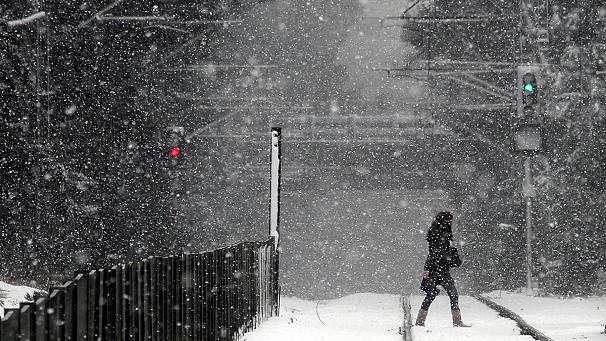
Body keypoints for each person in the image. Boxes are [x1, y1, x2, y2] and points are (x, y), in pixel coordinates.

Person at [414, 211, 470, 327]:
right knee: (449, 293)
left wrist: (428, 267)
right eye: (449, 220)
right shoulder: (439, 233)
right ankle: (457, 321)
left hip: (437, 268)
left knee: (433, 294)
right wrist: (449, 253)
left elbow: (434, 252)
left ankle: (420, 321)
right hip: (438, 269)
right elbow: (434, 253)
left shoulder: (439, 232)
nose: (451, 222)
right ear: (444, 220)